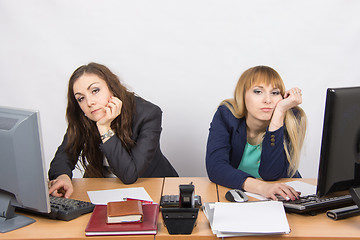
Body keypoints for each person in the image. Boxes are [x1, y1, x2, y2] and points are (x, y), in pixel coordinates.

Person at [48, 62, 178, 198]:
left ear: (112, 87)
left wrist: (104, 128)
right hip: (104, 188)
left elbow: (129, 175)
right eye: (81, 98)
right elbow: (64, 156)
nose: (89, 102)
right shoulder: (85, 117)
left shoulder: (148, 114)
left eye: (95, 91)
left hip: (152, 188)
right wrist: (62, 177)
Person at [206, 66, 307, 201]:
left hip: (283, 194)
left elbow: (271, 174)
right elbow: (216, 167)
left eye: (275, 93)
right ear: (242, 95)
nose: (267, 100)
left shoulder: (290, 118)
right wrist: (262, 188)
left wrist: (278, 115)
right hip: (241, 193)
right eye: (258, 91)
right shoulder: (226, 115)